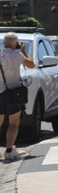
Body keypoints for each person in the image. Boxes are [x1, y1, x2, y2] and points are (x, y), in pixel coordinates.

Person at [0, 33, 35, 161]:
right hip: (12, 93)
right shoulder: (16, 55)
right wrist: (23, 51)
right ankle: (9, 150)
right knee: (13, 123)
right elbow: (31, 64)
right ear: (15, 43)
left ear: (4, 43)